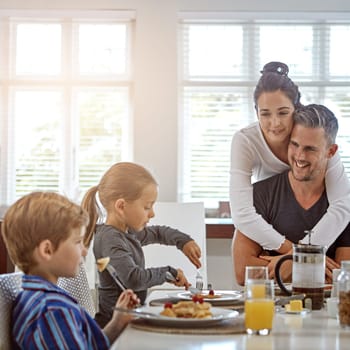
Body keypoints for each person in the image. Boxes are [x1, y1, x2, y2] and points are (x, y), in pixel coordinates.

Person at [230, 61, 350, 253]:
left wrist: (308, 251)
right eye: (265, 114)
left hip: (313, 215)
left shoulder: (314, 135)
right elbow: (242, 213)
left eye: (283, 112)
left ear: (296, 108)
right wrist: (294, 253)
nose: (275, 123)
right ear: (256, 112)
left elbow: (342, 205)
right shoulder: (245, 140)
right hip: (270, 217)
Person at [1, 191, 140, 349]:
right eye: (78, 241)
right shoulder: (52, 311)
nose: (84, 251)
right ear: (47, 250)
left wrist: (118, 322)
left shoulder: (42, 299)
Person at [233, 104, 350, 285]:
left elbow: (342, 276)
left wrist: (288, 264)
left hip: (325, 309)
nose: (299, 156)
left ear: (331, 151)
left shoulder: (343, 201)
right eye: (294, 144)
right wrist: (308, 262)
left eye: (310, 149)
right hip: (272, 308)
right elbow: (243, 272)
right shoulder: (261, 194)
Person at [81, 161, 202, 327]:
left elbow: (158, 232)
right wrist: (169, 272)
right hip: (114, 327)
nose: (152, 213)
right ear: (121, 206)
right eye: (147, 207)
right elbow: (133, 279)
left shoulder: (126, 232)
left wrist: (183, 241)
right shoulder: (110, 239)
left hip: (128, 321)